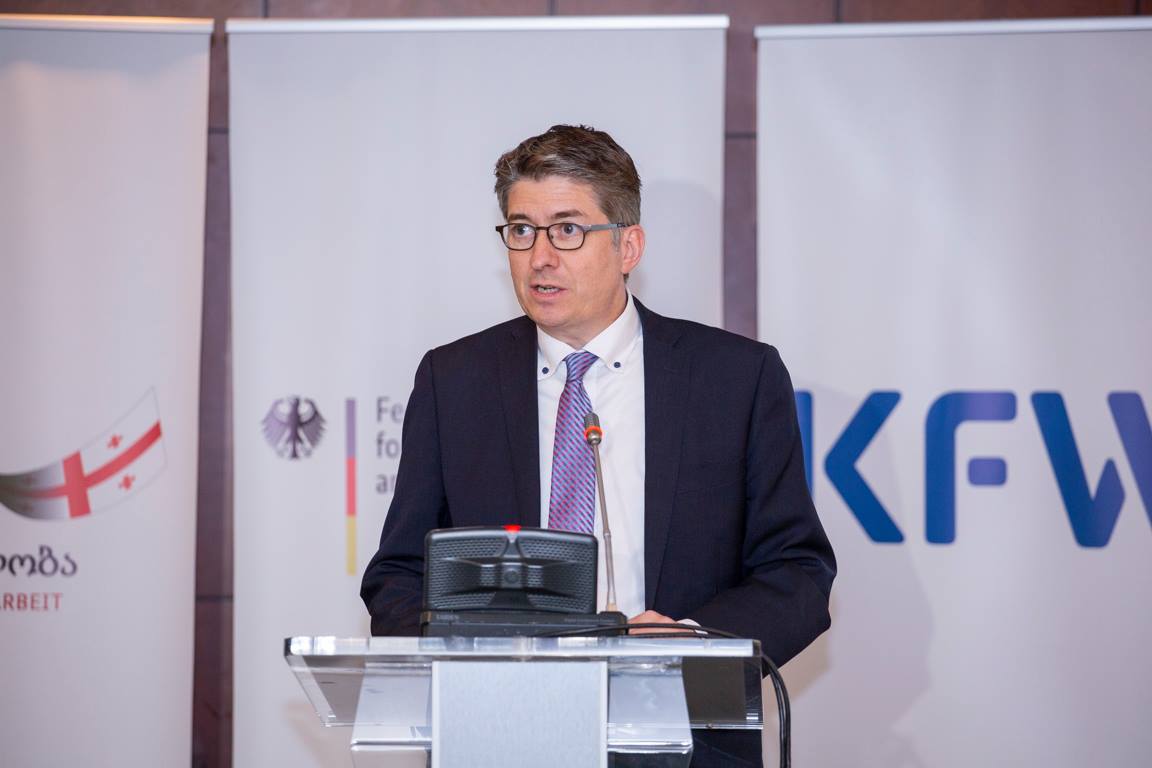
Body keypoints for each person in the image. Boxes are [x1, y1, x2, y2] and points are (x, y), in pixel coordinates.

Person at [361, 124, 836, 766]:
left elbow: (797, 572)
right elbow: (397, 576)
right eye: (521, 230)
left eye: (567, 229)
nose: (540, 257)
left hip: (683, 733)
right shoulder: (455, 380)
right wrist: (468, 653)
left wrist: (696, 643)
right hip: (498, 734)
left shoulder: (734, 378)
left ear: (628, 245)